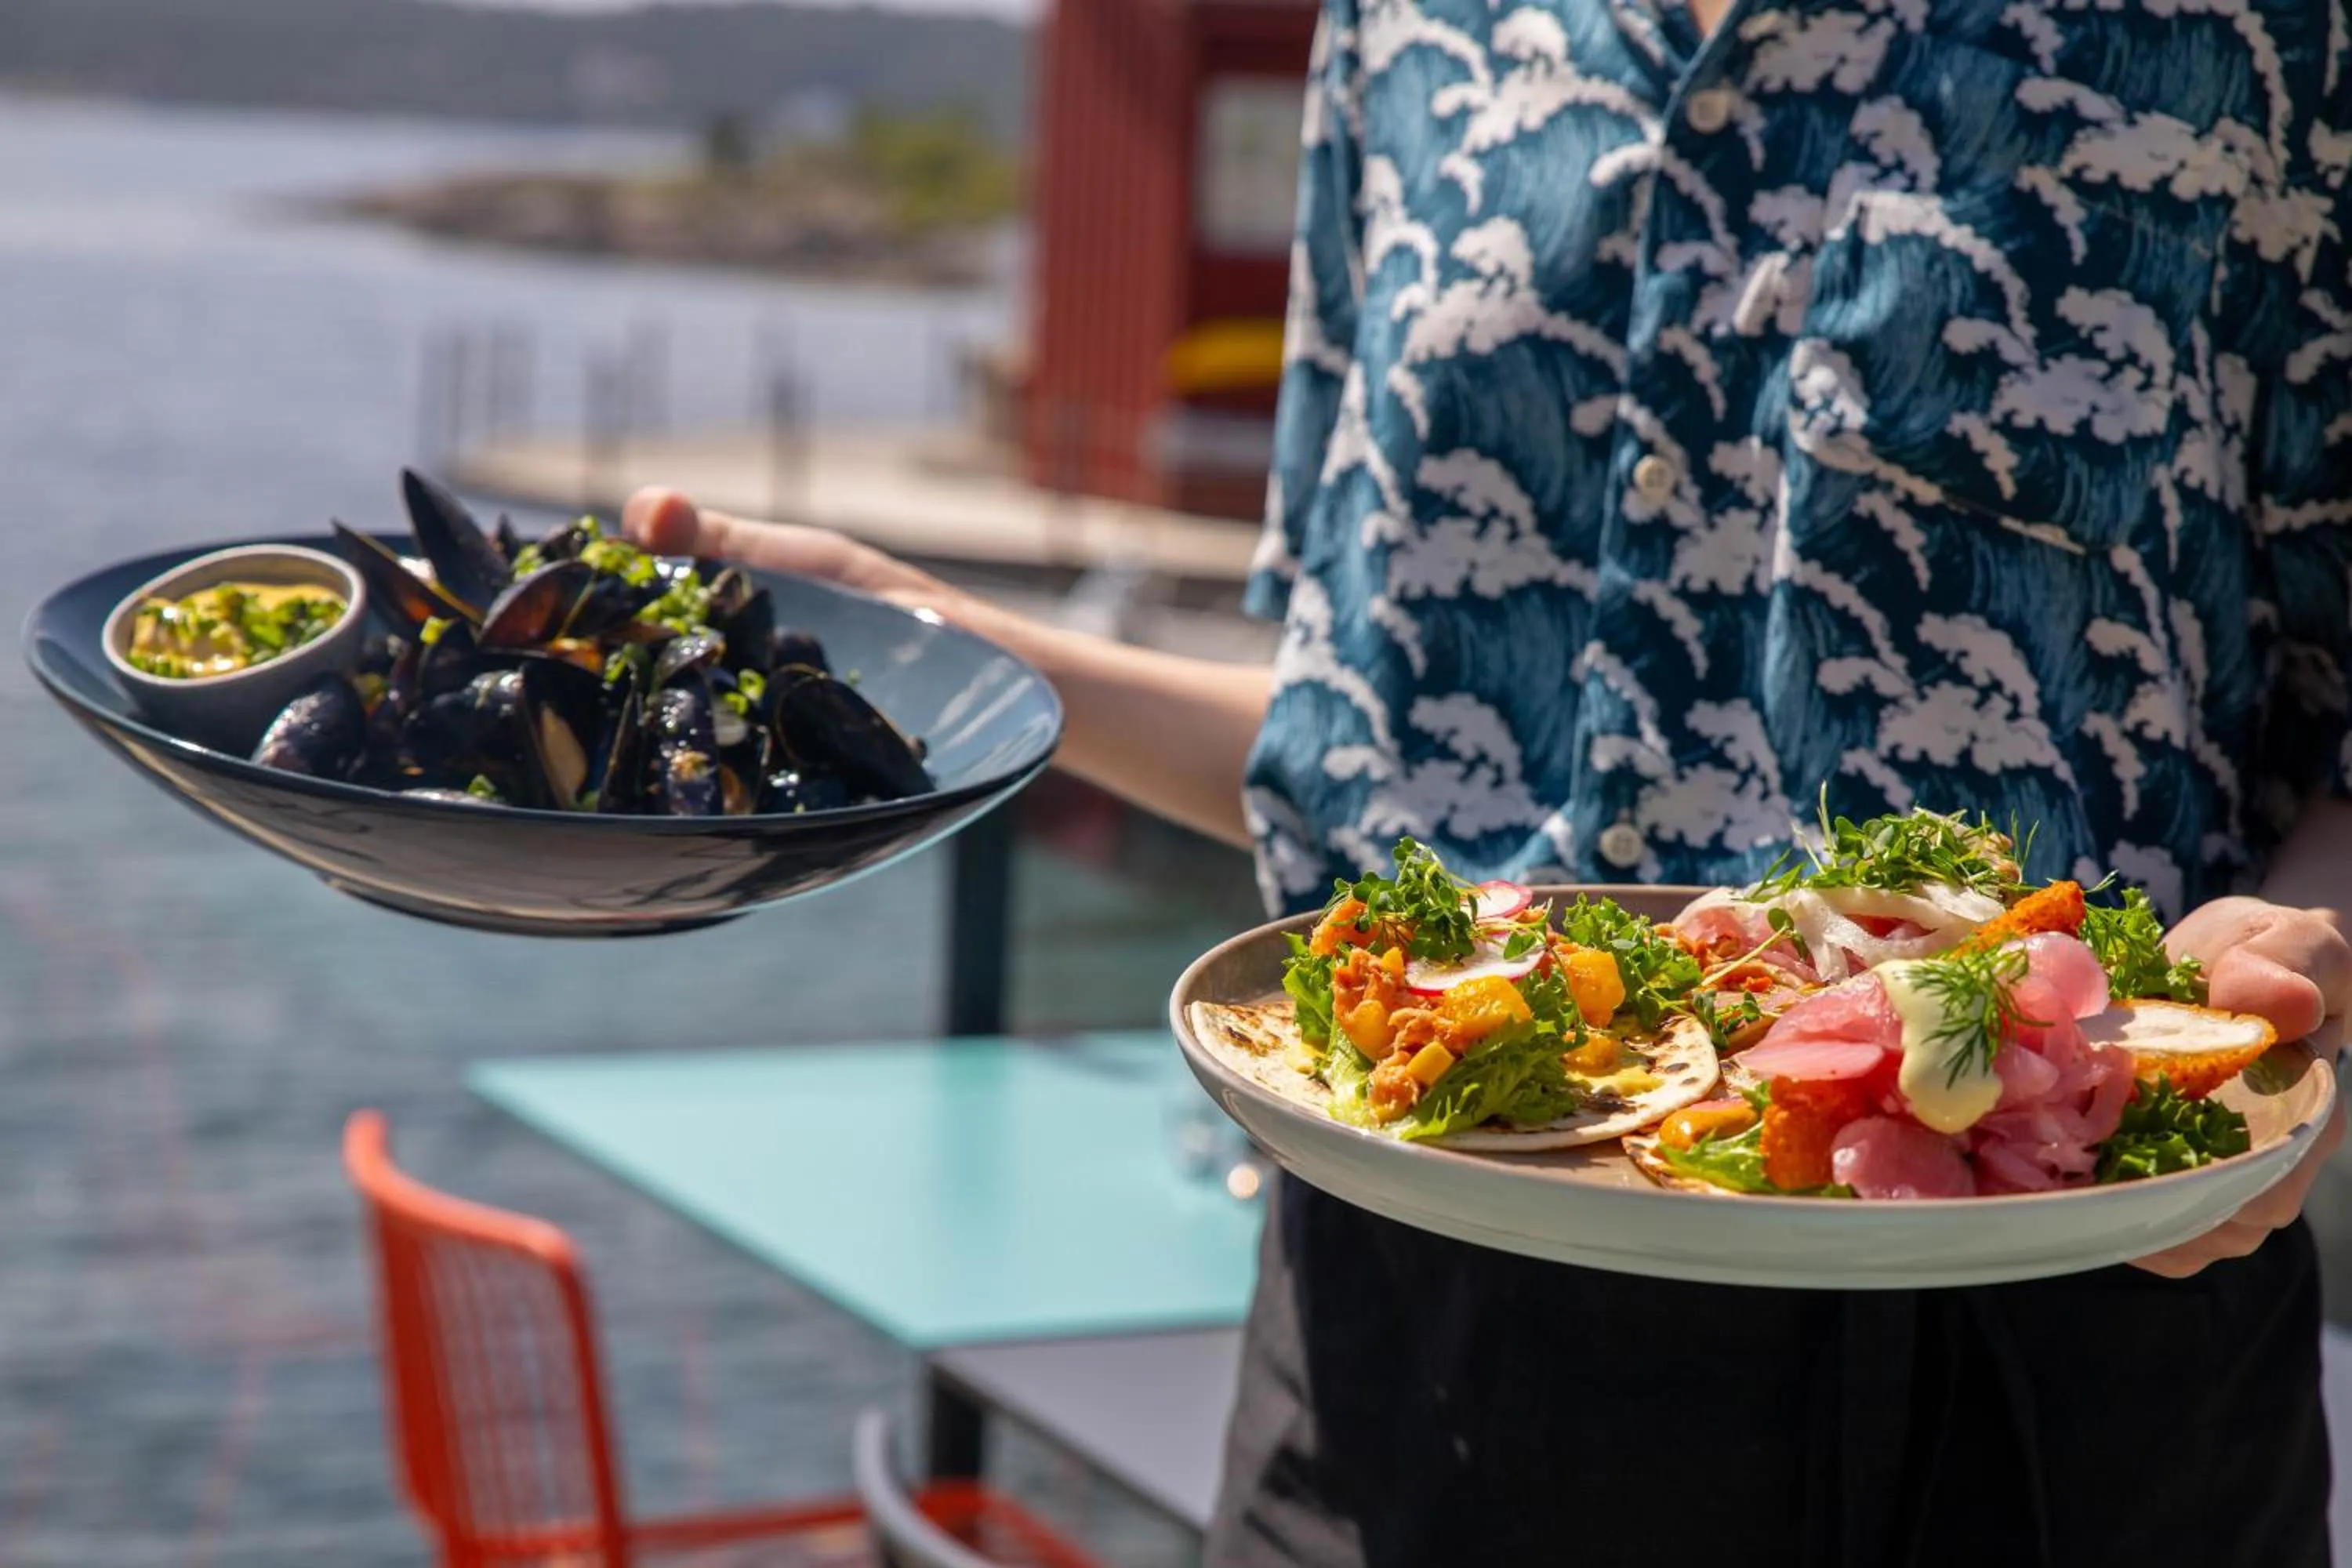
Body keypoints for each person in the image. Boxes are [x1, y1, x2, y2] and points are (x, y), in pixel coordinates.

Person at [625, 0, 2352, 1558]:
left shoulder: (2254, 35)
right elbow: (1347, 748)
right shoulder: (1400, 25)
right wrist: (946, 643)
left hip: (2057, 1328)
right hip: (1406, 1332)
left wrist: (2285, 967)